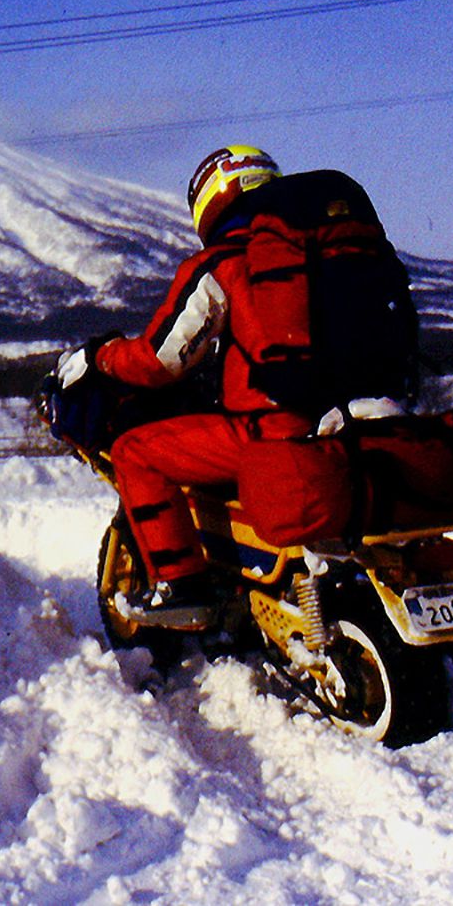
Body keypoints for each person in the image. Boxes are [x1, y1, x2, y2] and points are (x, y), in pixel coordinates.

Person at [53, 145, 411, 630]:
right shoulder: (332, 252)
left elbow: (159, 361)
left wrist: (100, 356)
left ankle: (181, 586)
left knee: (135, 449)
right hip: (362, 422)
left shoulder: (224, 262)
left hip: (273, 431)